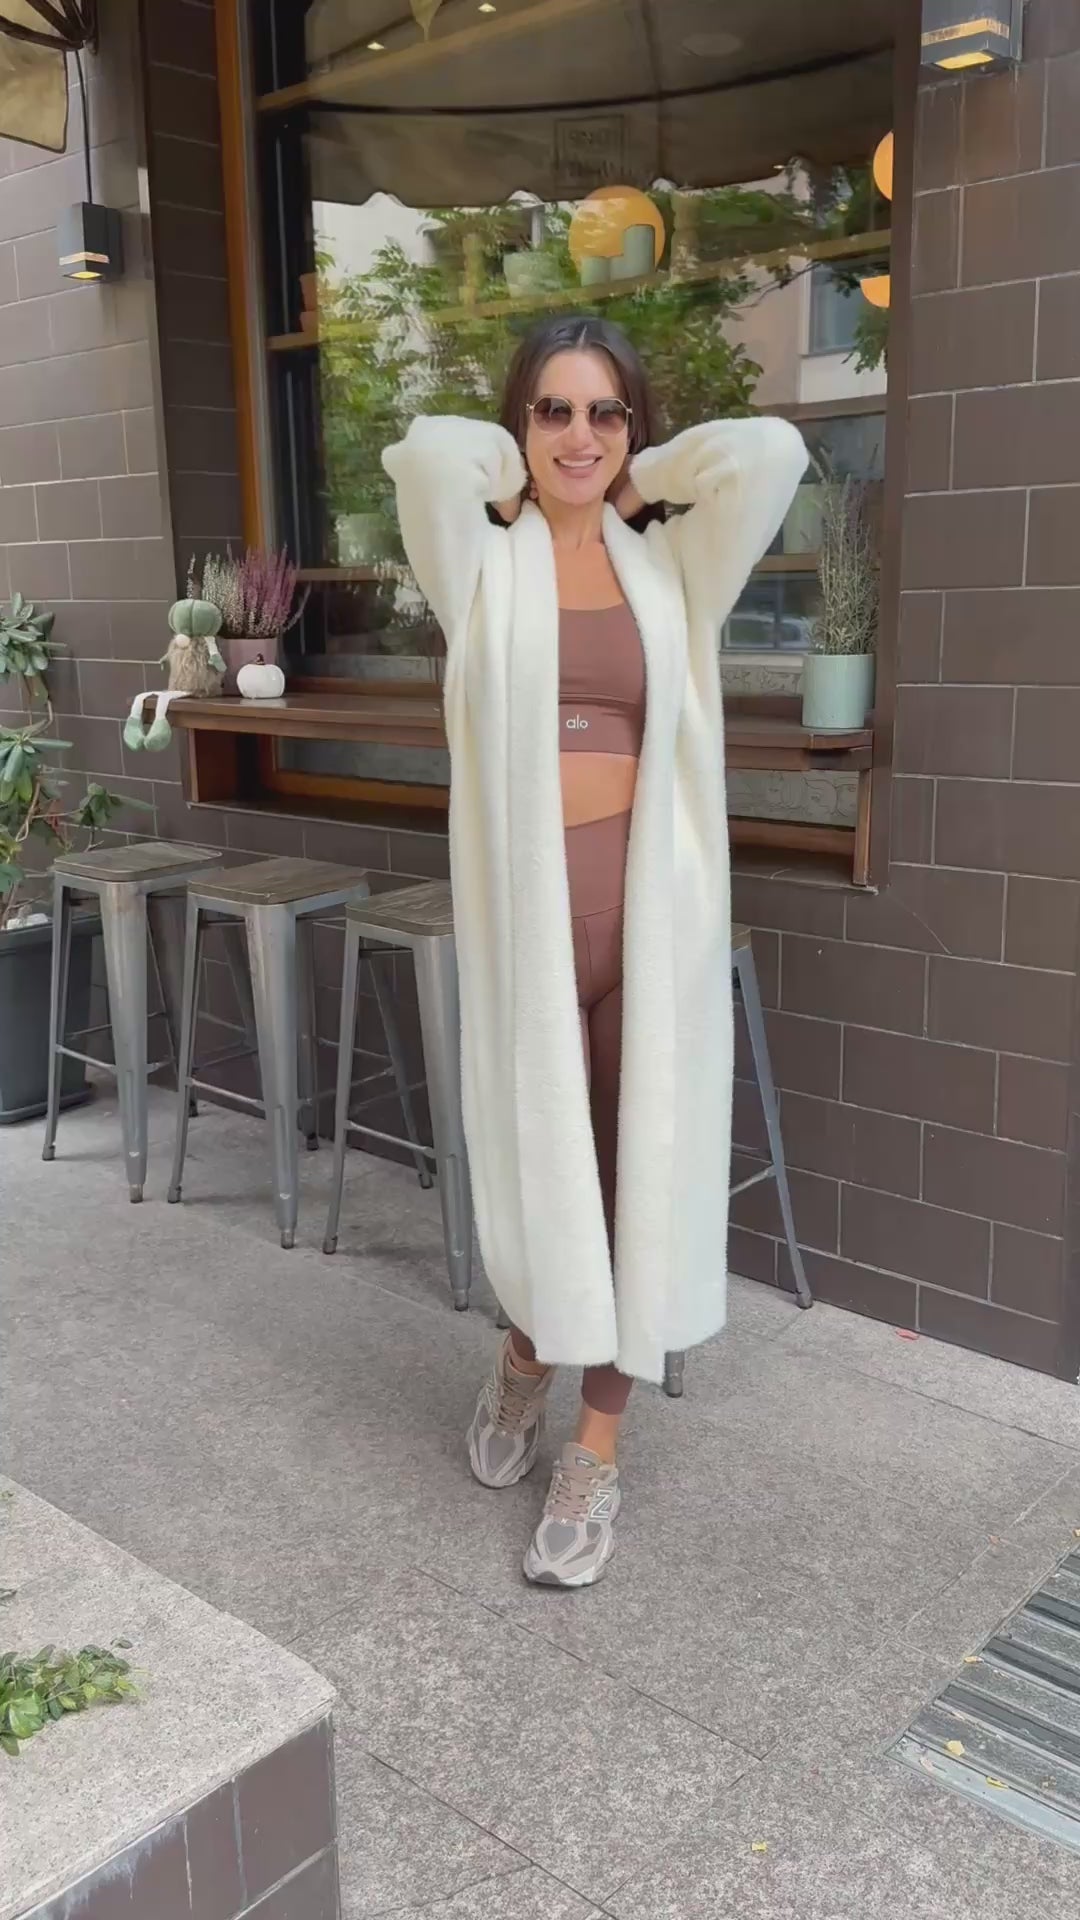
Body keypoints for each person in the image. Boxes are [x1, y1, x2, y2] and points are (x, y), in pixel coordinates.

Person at [383, 315, 806, 1588]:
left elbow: (772, 453)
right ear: (520, 421)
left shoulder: (670, 559)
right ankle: (527, 1355)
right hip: (528, 930)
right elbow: (426, 455)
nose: (580, 434)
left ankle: (597, 1452)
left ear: (634, 426)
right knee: (545, 1175)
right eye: (554, 410)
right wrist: (522, 480)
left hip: (649, 926)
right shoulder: (479, 558)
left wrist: (638, 482)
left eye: (606, 411)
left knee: (639, 1187)